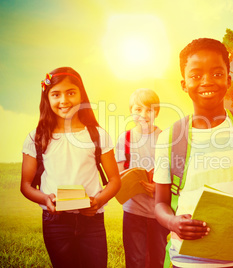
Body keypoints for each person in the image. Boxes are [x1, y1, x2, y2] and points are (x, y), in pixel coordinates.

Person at [153, 38, 233, 267]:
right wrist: (173, 223)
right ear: (183, 84)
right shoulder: (169, 139)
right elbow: (160, 203)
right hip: (186, 261)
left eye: (217, 73)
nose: (207, 81)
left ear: (229, 80)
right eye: (196, 75)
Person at [20, 67, 121, 268]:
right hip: (55, 222)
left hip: (91, 221)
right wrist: (45, 199)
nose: (64, 100)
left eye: (71, 93)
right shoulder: (36, 138)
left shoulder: (97, 135)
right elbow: (25, 185)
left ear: (81, 96)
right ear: (47, 98)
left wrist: (98, 201)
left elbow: (115, 181)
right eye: (56, 94)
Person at [115, 88, 169, 268]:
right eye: (138, 109)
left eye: (149, 109)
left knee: (157, 259)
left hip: (159, 212)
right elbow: (118, 175)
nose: (143, 114)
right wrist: (129, 182)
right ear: (131, 112)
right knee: (135, 260)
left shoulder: (165, 138)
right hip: (133, 211)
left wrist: (158, 188)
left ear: (157, 112)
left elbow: (175, 175)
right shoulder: (125, 138)